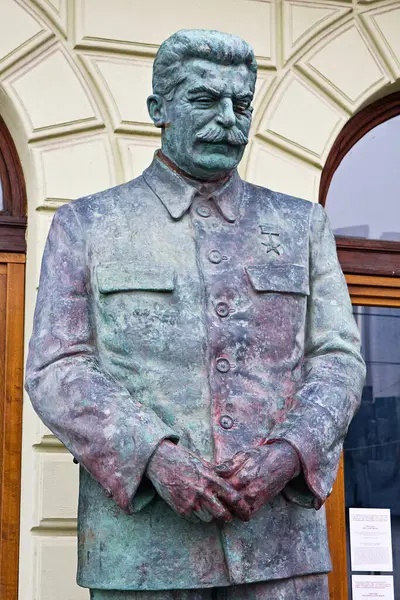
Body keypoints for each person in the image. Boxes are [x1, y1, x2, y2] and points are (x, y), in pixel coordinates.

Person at [25, 29, 366, 599]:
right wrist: (153, 456)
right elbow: (57, 368)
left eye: (242, 105)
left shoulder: (300, 225)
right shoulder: (88, 225)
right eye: (206, 101)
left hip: (280, 551)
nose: (229, 120)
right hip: (141, 551)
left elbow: (338, 360)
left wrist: (287, 454)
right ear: (158, 109)